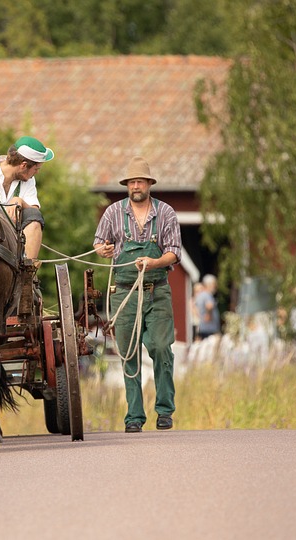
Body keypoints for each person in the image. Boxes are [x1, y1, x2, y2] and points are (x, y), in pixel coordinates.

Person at [94, 156, 182, 433]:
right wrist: (104, 250)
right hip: (124, 292)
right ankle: (134, 416)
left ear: (149, 184)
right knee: (128, 353)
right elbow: (99, 243)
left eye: (140, 181)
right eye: (131, 182)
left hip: (157, 291)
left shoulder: (165, 213)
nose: (135, 186)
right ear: (127, 186)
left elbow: (174, 252)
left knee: (159, 348)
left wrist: (154, 263)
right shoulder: (113, 213)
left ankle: (165, 410)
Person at [0, 135, 54, 261]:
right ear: (23, 165)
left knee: (34, 218)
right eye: (36, 168)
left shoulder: (29, 181)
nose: (37, 172)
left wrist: (19, 201)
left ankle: (28, 272)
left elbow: (34, 210)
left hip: (14, 242)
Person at [196, 274, 220, 340]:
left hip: (203, 327)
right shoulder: (207, 295)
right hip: (209, 329)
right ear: (208, 285)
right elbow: (209, 306)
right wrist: (208, 314)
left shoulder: (200, 295)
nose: (215, 286)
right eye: (213, 284)